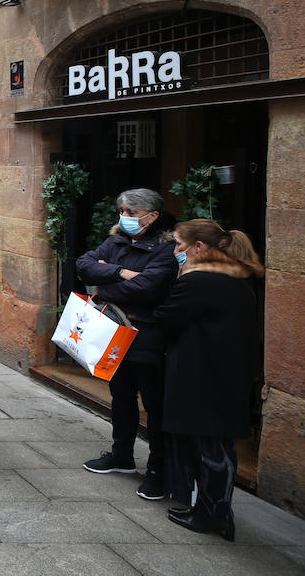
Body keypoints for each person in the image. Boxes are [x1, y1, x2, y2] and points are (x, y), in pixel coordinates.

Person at [152, 220, 264, 541]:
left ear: (198, 247)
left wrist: (177, 279)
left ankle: (213, 514)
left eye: (178, 245)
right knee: (218, 445)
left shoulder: (199, 280)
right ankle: (213, 510)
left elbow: (167, 319)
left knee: (210, 448)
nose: (175, 251)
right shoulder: (239, 277)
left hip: (202, 374)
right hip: (228, 374)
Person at [76, 188, 178, 500]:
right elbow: (84, 265)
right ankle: (122, 455)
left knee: (155, 404)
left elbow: (148, 287)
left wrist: (108, 282)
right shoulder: (117, 238)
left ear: (152, 216)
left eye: (131, 213)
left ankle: (159, 470)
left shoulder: (167, 247)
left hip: (147, 334)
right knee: (120, 395)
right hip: (114, 330)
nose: (125, 217)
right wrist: (120, 271)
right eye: (122, 210)